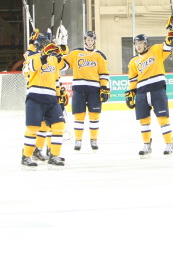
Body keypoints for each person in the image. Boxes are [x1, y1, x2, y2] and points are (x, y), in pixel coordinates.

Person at [125, 17, 173, 158]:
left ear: (146, 43)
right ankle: (147, 145)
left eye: (141, 43)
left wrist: (171, 30)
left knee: (163, 118)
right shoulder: (133, 61)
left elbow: (169, 43)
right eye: (136, 43)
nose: (138, 46)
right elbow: (133, 79)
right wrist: (131, 92)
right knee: (144, 121)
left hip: (157, 90)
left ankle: (169, 144)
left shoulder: (156, 50)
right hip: (141, 93)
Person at [20, 30, 69, 168]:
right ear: (40, 45)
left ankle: (54, 155)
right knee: (33, 128)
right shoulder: (32, 56)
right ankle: (26, 156)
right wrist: (42, 56)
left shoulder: (53, 59)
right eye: (46, 43)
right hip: (35, 97)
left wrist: (63, 45)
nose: (48, 45)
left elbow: (65, 65)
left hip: (51, 98)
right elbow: (26, 70)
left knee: (59, 125)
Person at [61, 30, 110, 152]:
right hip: (79, 90)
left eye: (92, 40)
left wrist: (104, 87)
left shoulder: (99, 55)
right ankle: (78, 140)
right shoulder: (76, 53)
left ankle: (94, 140)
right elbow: (63, 65)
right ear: (84, 40)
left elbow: (104, 73)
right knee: (79, 116)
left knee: (94, 116)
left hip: (94, 90)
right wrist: (61, 51)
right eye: (88, 39)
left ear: (94, 41)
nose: (90, 42)